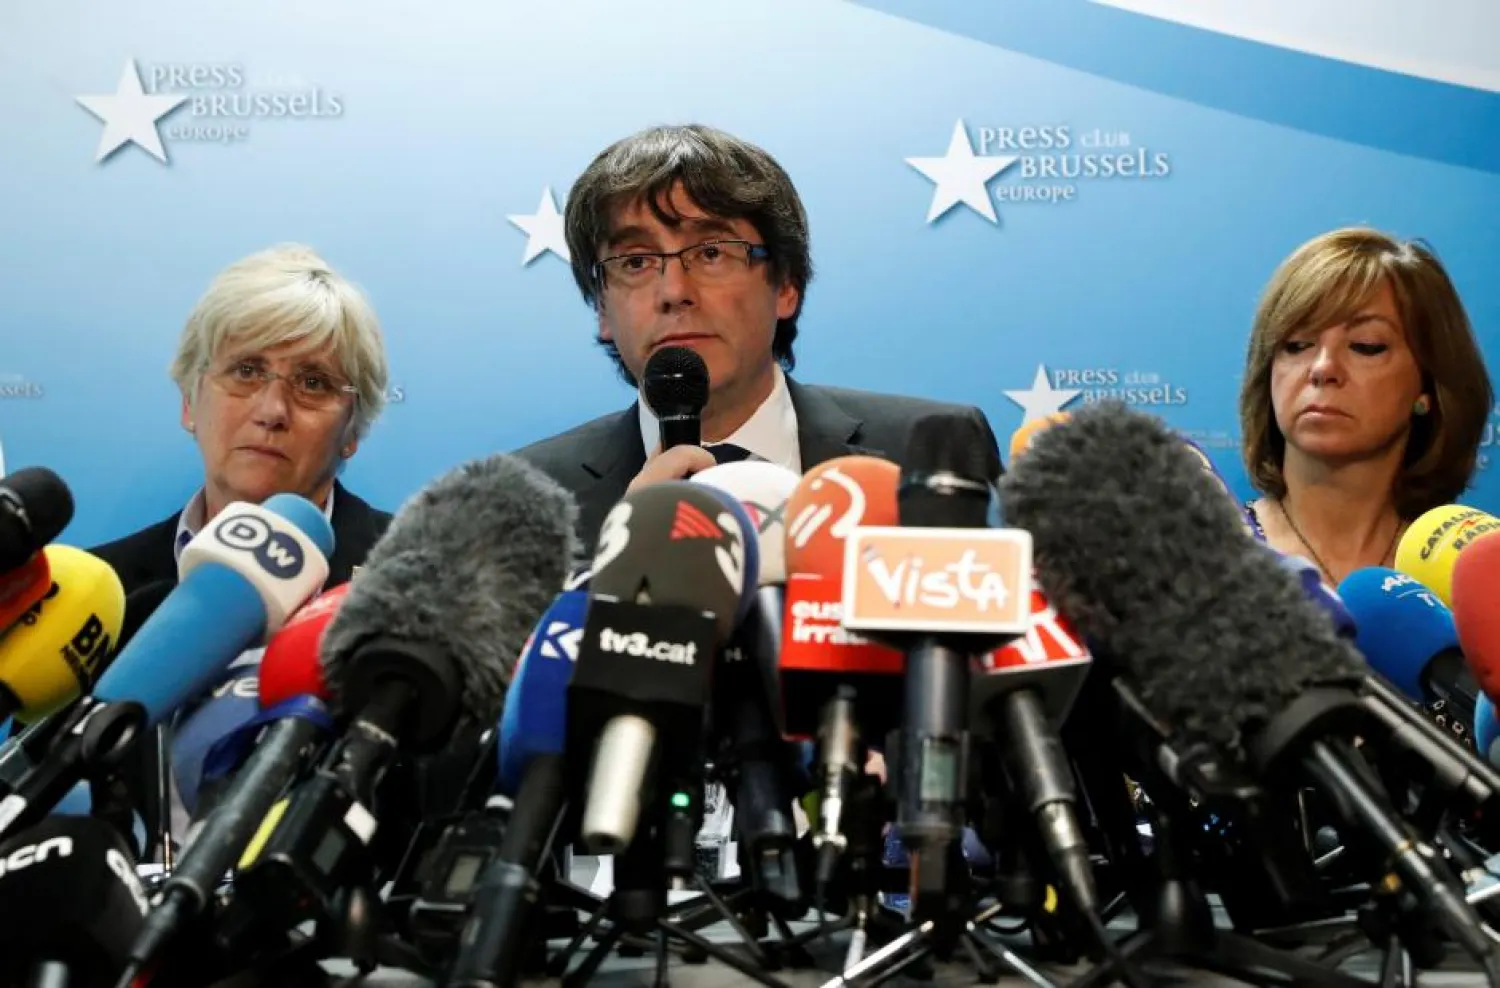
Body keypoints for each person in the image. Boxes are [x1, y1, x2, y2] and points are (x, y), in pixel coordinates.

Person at [514, 123, 1001, 553]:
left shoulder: (929, 449)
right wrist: (617, 566)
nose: (674, 292)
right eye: (635, 261)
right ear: (601, 307)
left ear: (785, 284)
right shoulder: (527, 499)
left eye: (710, 253)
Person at [88, 242, 393, 860]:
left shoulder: (409, 580)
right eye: (246, 371)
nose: (272, 410)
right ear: (188, 403)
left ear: (352, 431)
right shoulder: (101, 589)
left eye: (312, 383)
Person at [1239, 227, 1492, 586]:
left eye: (1365, 345)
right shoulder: (1208, 555)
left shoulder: (1473, 574)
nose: (1323, 367)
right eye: (1297, 345)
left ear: (1428, 386)